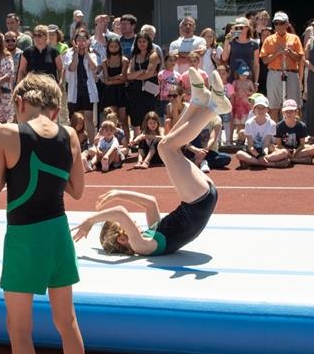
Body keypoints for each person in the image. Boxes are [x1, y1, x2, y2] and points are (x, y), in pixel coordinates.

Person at [0, 73, 86, 354]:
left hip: (25, 237)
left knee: (19, 328)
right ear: (54, 105)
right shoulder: (69, 134)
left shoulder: (8, 133)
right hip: (58, 232)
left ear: (21, 103)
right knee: (66, 320)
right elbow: (77, 191)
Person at [72, 67, 225, 262]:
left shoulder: (151, 235)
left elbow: (150, 202)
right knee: (166, 148)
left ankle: (197, 102)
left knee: (169, 146)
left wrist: (120, 193)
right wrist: (90, 221)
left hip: (200, 199)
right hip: (197, 202)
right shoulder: (142, 247)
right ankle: (213, 108)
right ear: (123, 238)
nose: (134, 222)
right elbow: (120, 213)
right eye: (127, 226)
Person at [260, 11, 303, 121]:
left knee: (294, 106)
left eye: (281, 23)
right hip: (274, 73)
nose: (278, 26)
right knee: (274, 106)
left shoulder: (294, 38)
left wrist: (290, 52)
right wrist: (277, 53)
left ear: (287, 24)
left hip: (291, 73)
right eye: (276, 23)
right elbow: (264, 60)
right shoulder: (269, 40)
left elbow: (299, 58)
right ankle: (276, 135)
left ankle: (296, 133)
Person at [63, 29, 99, 140]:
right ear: (74, 41)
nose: (81, 42)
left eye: (84, 39)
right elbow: (72, 67)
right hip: (74, 89)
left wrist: (86, 52)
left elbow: (94, 67)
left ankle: (92, 143)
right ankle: (76, 142)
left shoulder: (93, 52)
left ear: (88, 41)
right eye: (79, 39)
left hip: (87, 89)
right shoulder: (69, 53)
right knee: (76, 118)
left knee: (88, 117)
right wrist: (76, 53)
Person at [233, 95, 275, 169]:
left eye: (263, 108)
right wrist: (259, 157)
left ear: (267, 109)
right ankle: (270, 164)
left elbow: (266, 144)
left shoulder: (272, 123)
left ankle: (251, 162)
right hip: (252, 151)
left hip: (265, 150)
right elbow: (250, 146)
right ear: (254, 109)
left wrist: (263, 155)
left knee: (283, 153)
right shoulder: (249, 123)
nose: (260, 110)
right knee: (239, 154)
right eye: (258, 107)